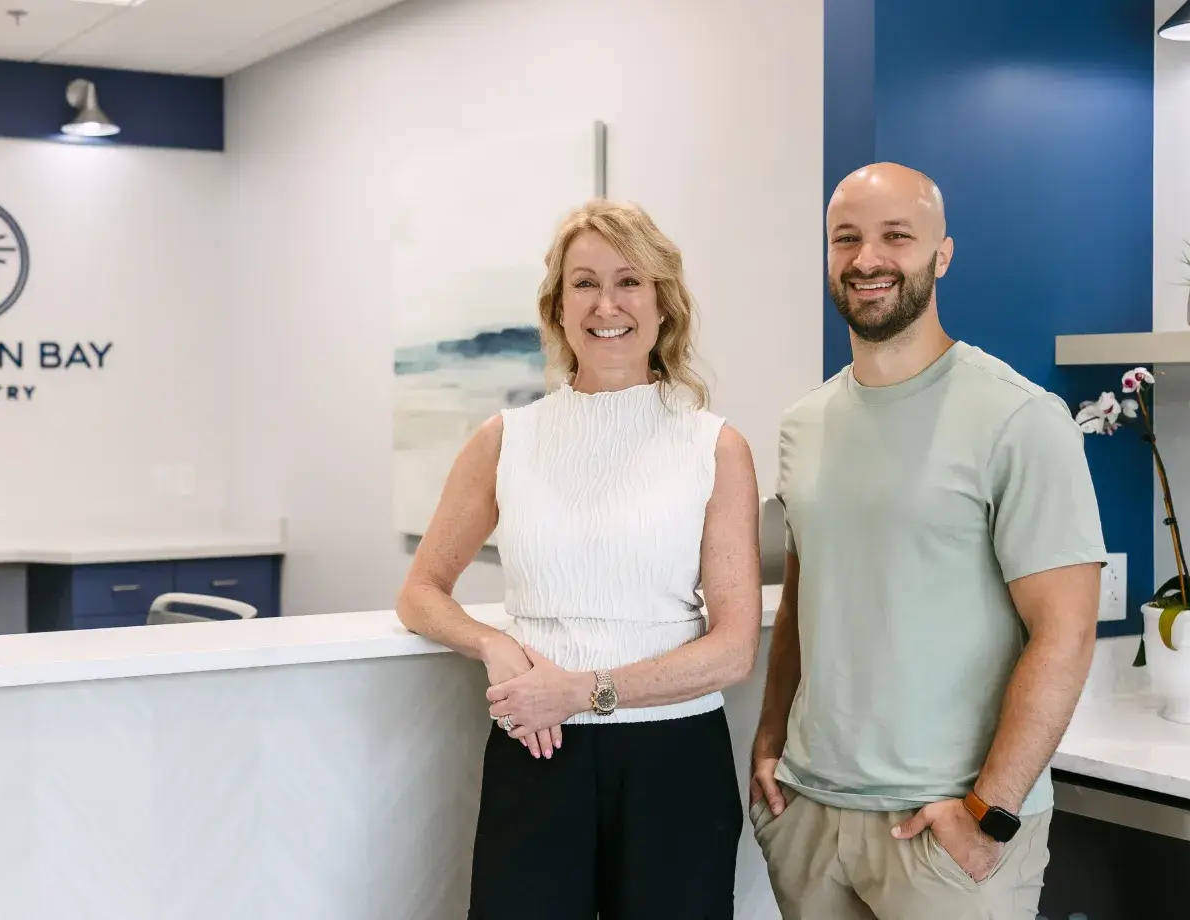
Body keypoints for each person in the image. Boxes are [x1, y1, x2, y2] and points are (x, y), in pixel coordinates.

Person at [751, 163, 1105, 920]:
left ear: (942, 254)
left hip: (948, 825)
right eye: (845, 239)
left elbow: (1067, 630)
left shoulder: (1019, 419)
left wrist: (993, 813)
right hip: (810, 813)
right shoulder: (802, 424)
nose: (867, 259)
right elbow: (803, 602)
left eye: (896, 237)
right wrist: (769, 742)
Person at [396, 199, 763, 920]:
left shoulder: (715, 447)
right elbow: (422, 592)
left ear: (663, 304)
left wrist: (584, 690)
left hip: (674, 761)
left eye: (629, 282)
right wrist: (494, 644)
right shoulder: (507, 440)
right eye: (584, 283)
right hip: (538, 751)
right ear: (558, 307)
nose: (607, 304)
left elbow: (732, 650)